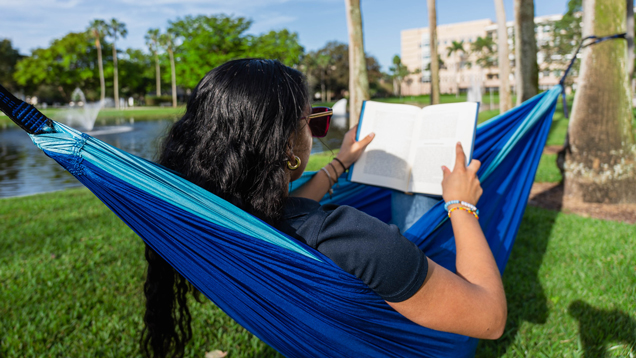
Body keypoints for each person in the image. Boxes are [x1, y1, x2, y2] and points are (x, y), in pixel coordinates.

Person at [142, 59, 506, 357]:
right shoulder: (348, 237)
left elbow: (289, 208)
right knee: (416, 201)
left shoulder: (221, 219)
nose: (316, 131)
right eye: (312, 121)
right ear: (286, 145)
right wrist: (460, 204)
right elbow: (490, 319)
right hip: (410, 342)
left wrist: (340, 162)